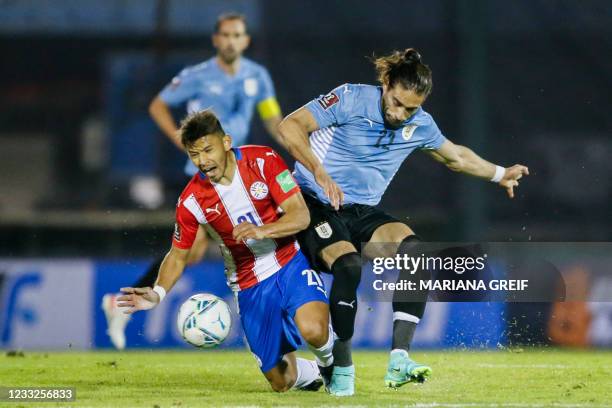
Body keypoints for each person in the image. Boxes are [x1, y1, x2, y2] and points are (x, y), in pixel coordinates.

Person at [277, 48, 529, 396]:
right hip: (314, 202)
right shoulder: (351, 98)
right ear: (385, 84)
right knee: (349, 266)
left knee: (417, 254)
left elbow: (456, 156)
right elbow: (289, 126)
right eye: (396, 102)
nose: (400, 114)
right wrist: (318, 171)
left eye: (410, 108)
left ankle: (399, 359)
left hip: (362, 211)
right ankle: (342, 366)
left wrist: (499, 174)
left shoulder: (420, 123)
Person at [102, 12, 284, 349]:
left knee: (197, 252)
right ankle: (266, 324)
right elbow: (158, 105)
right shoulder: (197, 76)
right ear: (216, 39)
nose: (231, 41)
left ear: (245, 41)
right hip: (207, 175)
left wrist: (295, 144)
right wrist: (181, 142)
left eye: (237, 35)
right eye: (226, 35)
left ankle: (121, 305)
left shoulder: (258, 76)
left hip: (239, 170)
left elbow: (272, 118)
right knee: (196, 249)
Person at [117, 110, 333, 393]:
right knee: (282, 381)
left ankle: (334, 367)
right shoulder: (191, 200)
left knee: (314, 330)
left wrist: (261, 231)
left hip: (288, 262)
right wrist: (157, 293)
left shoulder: (263, 160)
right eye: (194, 154)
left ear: (227, 142)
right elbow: (178, 254)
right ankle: (314, 371)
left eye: (208, 149)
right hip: (248, 285)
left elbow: (300, 216)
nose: (203, 161)